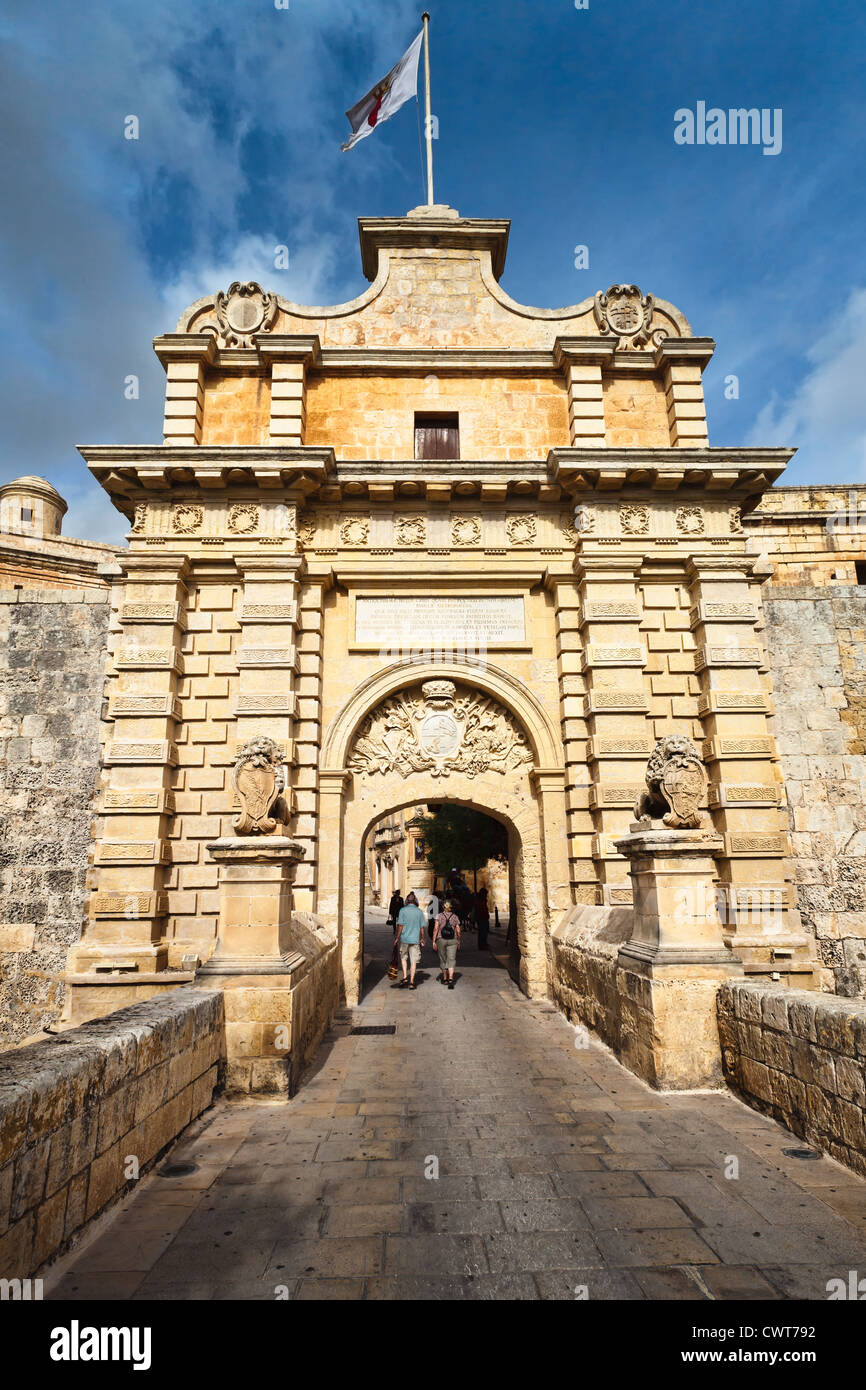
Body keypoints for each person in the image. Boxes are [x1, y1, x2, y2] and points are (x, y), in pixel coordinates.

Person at [395, 891, 426, 990]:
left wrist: (397, 937)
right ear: (415, 900)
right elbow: (422, 927)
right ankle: (412, 982)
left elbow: (400, 926)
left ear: (407, 901)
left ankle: (405, 977)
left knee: (404, 958)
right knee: (413, 961)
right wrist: (422, 938)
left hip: (405, 939)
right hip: (415, 939)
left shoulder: (403, 910)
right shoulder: (419, 911)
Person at [433, 897, 461, 989]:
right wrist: (459, 941)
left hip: (441, 940)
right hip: (453, 940)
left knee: (443, 959)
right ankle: (451, 979)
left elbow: (436, 929)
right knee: (451, 960)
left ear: (443, 906)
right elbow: (458, 930)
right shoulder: (455, 916)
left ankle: (445, 979)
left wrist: (433, 941)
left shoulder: (439, 916)